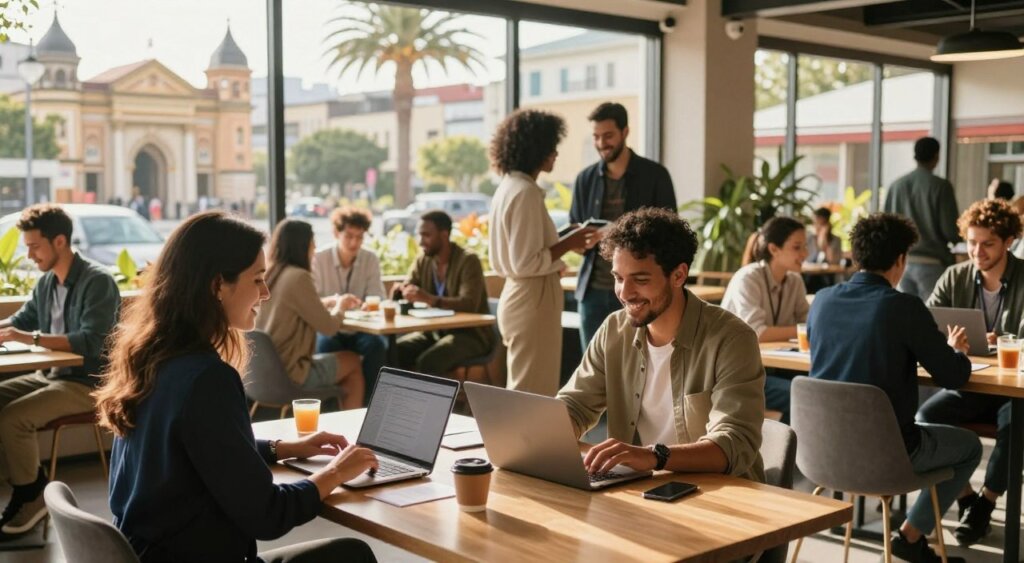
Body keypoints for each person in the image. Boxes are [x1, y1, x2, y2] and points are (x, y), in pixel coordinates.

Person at [94, 212, 379, 563]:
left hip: (150, 553)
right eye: (257, 279)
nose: (266, 291)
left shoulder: (151, 359)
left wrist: (284, 447)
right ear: (217, 285)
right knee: (351, 555)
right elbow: (268, 514)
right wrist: (336, 473)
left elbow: (205, 451)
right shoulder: (206, 378)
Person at [808, 212, 980, 563]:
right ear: (901, 260)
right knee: (970, 447)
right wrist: (956, 351)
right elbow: (952, 376)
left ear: (856, 255)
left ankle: (909, 536)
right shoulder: (903, 307)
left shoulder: (822, 301)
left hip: (822, 454)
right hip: (889, 455)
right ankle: (909, 537)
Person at [557, 208, 765, 482]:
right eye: (619, 278)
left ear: (678, 275)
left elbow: (733, 443)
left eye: (640, 280)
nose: (625, 293)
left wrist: (654, 456)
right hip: (639, 488)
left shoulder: (732, 339)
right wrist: (550, 433)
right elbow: (575, 404)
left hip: (721, 494)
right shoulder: (614, 330)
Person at [0, 204, 120, 535]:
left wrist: (30, 337)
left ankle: (32, 497)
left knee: (13, 419)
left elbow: (91, 342)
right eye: (26, 247)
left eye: (34, 246)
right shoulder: (47, 283)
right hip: (52, 375)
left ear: (59, 242)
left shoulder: (98, 281)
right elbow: (20, 321)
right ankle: (25, 487)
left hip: (88, 383)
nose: (29, 255)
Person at [918, 198, 1024, 545]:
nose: (977, 251)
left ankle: (986, 502)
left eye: (988, 243)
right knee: (926, 415)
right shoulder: (954, 276)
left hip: (1015, 387)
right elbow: (927, 325)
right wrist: (949, 343)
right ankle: (965, 497)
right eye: (971, 242)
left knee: (1016, 425)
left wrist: (1005, 340)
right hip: (973, 383)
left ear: (1009, 241)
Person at [488, 109, 595, 396]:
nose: (555, 155)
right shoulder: (525, 192)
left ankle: (519, 441)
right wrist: (571, 242)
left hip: (519, 295)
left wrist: (563, 237)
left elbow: (524, 250)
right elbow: (527, 261)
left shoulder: (508, 188)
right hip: (531, 298)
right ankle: (522, 442)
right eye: (551, 148)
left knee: (526, 387)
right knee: (531, 392)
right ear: (536, 149)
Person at [569, 102, 677, 351]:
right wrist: (581, 239)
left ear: (625, 132)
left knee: (639, 364)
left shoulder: (655, 175)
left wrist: (617, 235)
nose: (601, 144)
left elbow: (670, 232)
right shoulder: (584, 180)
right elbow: (576, 231)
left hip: (641, 292)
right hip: (592, 293)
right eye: (596, 137)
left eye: (608, 136)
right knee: (595, 370)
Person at [256, 219, 364, 410]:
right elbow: (329, 328)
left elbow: (287, 308)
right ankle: (351, 432)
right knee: (353, 361)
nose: (315, 248)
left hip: (262, 375)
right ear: (304, 245)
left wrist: (324, 302)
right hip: (291, 373)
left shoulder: (272, 274)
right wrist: (341, 304)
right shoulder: (299, 277)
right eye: (312, 242)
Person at [722, 216, 809, 422]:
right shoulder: (748, 278)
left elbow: (808, 321)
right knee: (801, 395)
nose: (805, 254)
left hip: (774, 367)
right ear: (773, 249)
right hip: (738, 373)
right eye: (797, 247)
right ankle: (786, 451)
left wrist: (806, 327)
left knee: (820, 387)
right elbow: (758, 333)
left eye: (805, 246)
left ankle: (796, 449)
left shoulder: (794, 281)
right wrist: (800, 329)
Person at [394, 210, 495, 376]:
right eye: (420, 235)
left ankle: (437, 402)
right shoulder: (423, 260)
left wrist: (429, 299)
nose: (421, 242)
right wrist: (401, 291)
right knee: (394, 352)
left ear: (444, 235)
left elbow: (468, 303)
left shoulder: (468, 261)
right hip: (435, 332)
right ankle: (400, 401)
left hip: (471, 335)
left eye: (426, 235)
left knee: (429, 362)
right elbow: (409, 285)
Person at [312, 206, 387, 401]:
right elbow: (312, 301)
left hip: (361, 329)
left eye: (360, 237)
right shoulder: (319, 258)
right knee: (326, 344)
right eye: (349, 236)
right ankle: (330, 407)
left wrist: (369, 305)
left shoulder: (370, 259)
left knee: (377, 345)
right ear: (336, 233)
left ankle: (371, 406)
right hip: (330, 328)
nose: (355, 242)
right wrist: (337, 302)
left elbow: (378, 296)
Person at [883, 137, 960, 301]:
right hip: (933, 262)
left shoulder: (897, 186)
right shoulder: (941, 186)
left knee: (907, 317)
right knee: (934, 316)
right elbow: (951, 232)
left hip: (901, 264)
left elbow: (885, 227)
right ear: (936, 156)